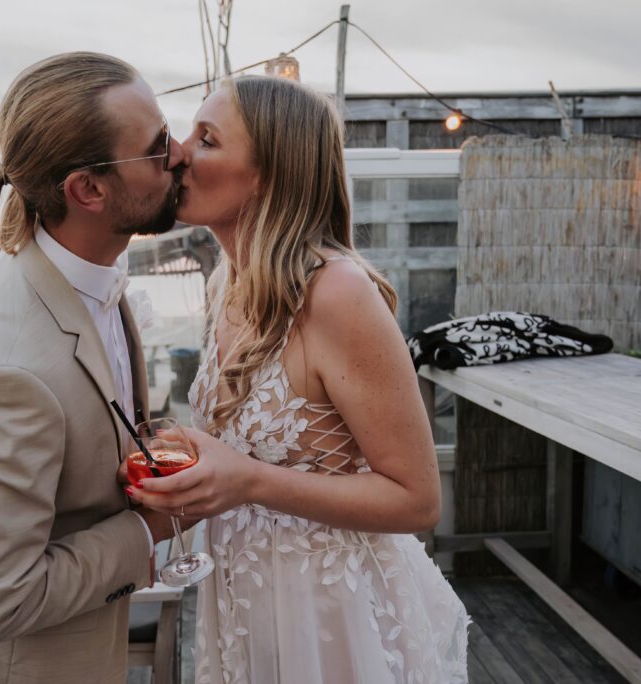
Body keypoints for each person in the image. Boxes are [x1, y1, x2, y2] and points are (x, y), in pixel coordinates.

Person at [127, 76, 470, 683]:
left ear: (268, 173)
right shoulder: (227, 284)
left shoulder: (337, 293)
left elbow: (418, 499)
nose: (177, 153)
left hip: (330, 617)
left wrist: (248, 480)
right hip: (244, 603)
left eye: (207, 140)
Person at [0, 52, 184, 684]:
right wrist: (151, 529)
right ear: (88, 190)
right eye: (158, 146)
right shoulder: (8, 370)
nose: (181, 154)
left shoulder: (80, 275)